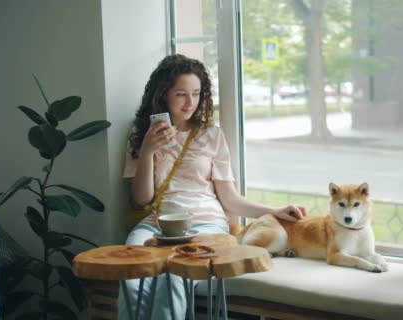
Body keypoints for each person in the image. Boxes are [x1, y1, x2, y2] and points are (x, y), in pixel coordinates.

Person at [118, 54, 307, 320]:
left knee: (175, 280)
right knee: (131, 278)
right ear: (162, 94)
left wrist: (274, 210)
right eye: (181, 94)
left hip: (205, 224)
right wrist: (148, 151)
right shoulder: (141, 134)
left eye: (196, 93)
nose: (190, 103)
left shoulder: (211, 135)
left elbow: (229, 199)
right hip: (157, 224)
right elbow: (140, 199)